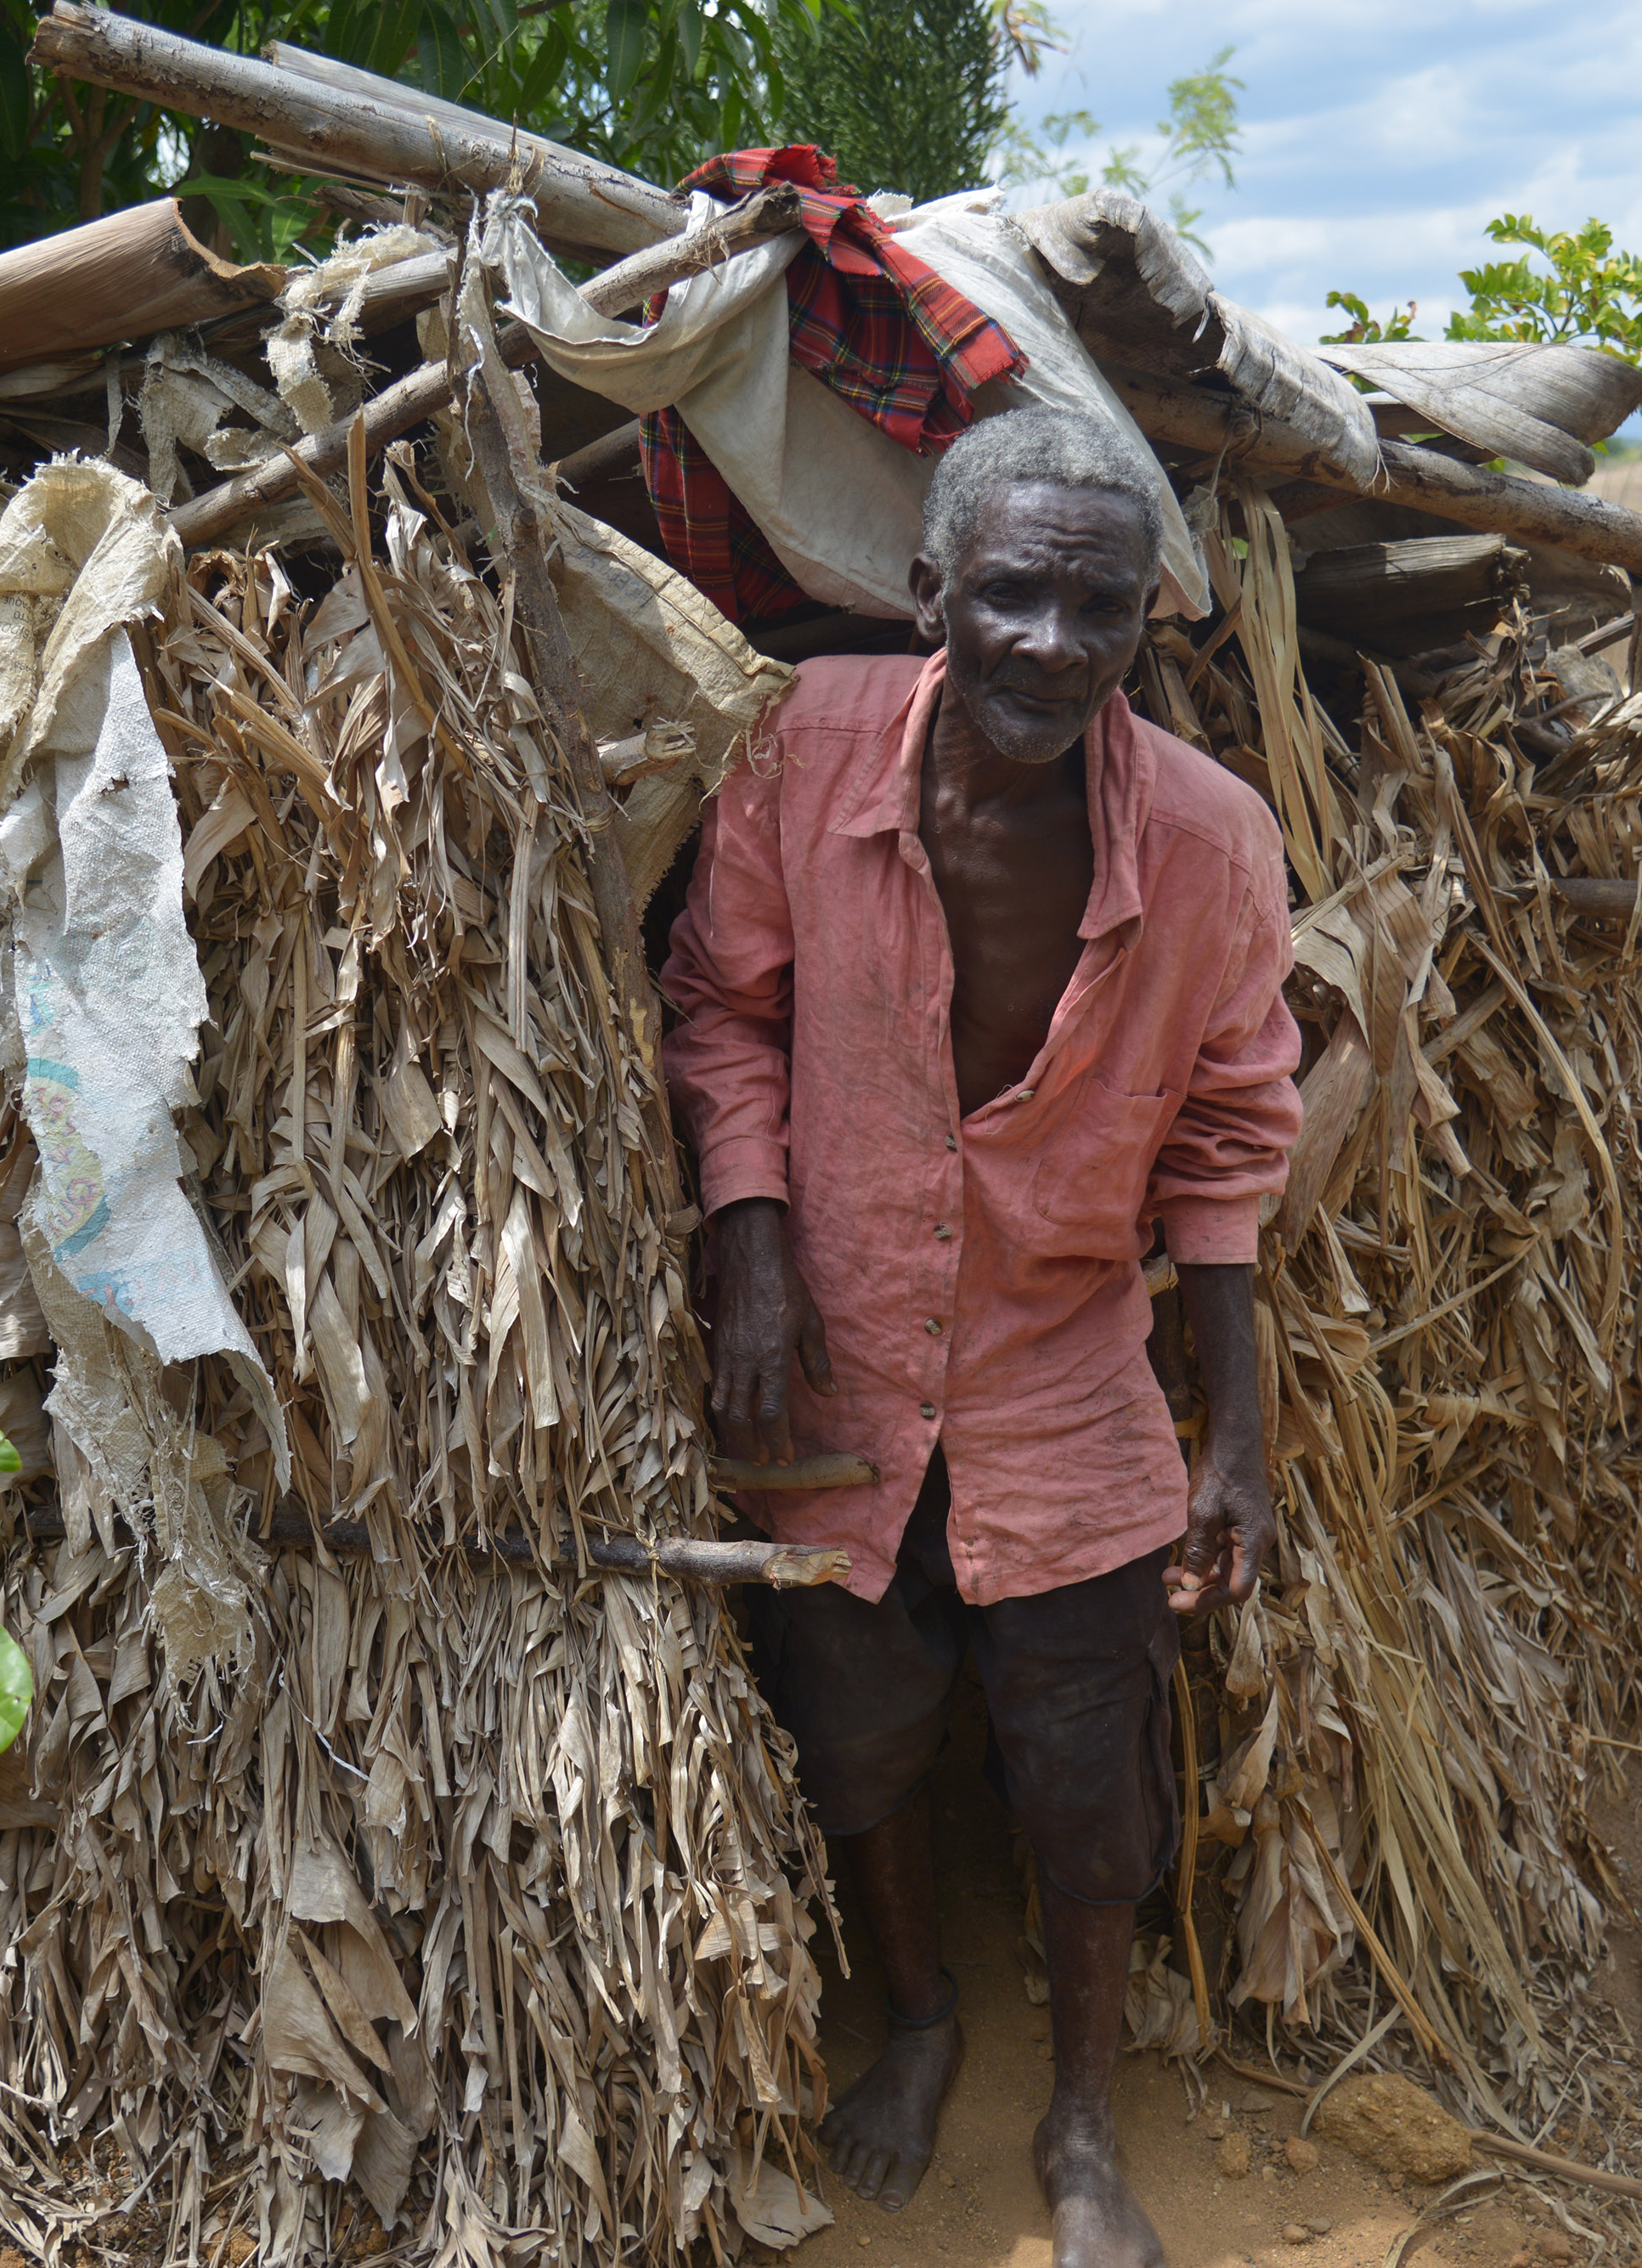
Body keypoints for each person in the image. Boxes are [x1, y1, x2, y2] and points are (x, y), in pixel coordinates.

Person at [659, 405, 1302, 2268]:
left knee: (1086, 1774)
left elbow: (1231, 1143)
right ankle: (924, 2021)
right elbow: (720, 1006)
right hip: (837, 1356)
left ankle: (1086, 2117)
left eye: (1092, 608)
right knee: (853, 1733)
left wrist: (1233, 1436)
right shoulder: (800, 750)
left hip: (1061, 1372)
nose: (1046, 643)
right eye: (1007, 595)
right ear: (929, 591)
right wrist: (755, 1249)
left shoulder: (1203, 847)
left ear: (1143, 626)